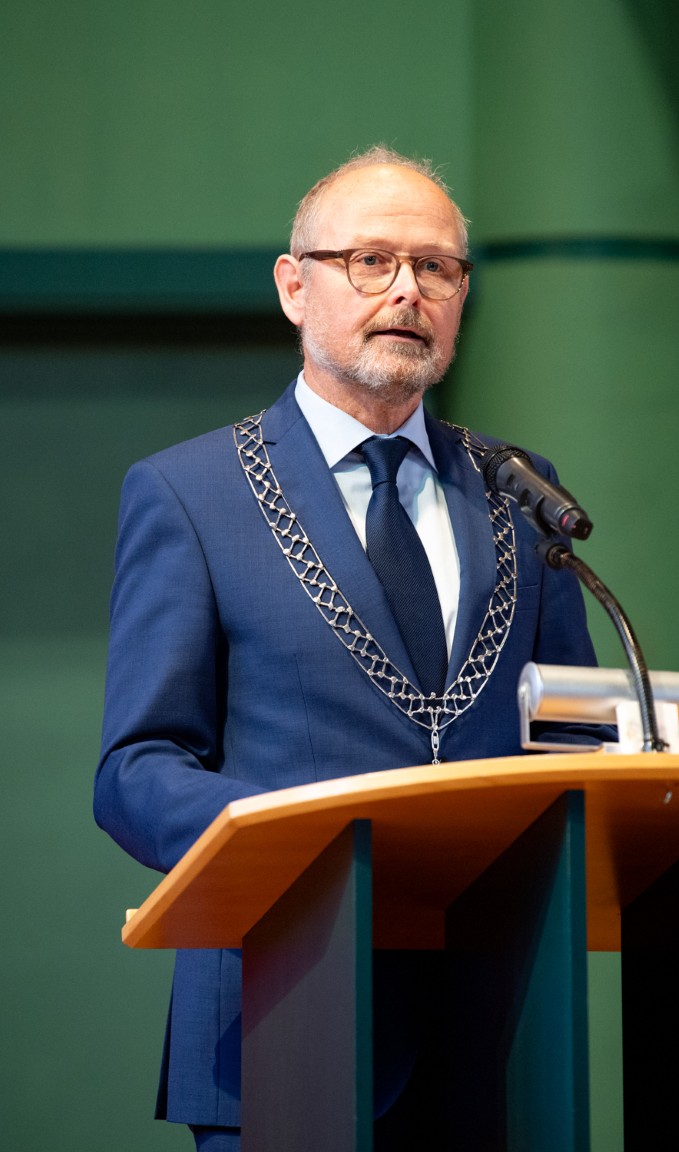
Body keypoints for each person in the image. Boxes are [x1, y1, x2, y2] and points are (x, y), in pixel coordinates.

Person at [95, 145, 603, 1150]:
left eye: (437, 267)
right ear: (295, 287)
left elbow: (577, 732)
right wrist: (302, 840)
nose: (408, 290)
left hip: (501, 1039)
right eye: (371, 260)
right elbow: (137, 769)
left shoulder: (517, 487)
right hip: (283, 1019)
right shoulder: (192, 494)